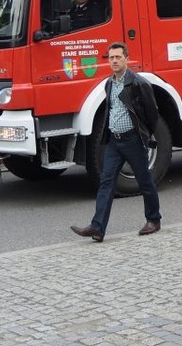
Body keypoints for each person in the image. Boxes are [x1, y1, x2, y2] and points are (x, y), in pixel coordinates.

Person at [70, 42, 161, 242]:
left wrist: (144, 135)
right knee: (106, 183)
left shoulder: (138, 83)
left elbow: (152, 113)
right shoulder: (109, 83)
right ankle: (97, 227)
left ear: (127, 59)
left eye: (118, 57)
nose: (114, 61)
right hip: (114, 141)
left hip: (132, 140)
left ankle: (153, 220)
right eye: (111, 58)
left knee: (144, 181)